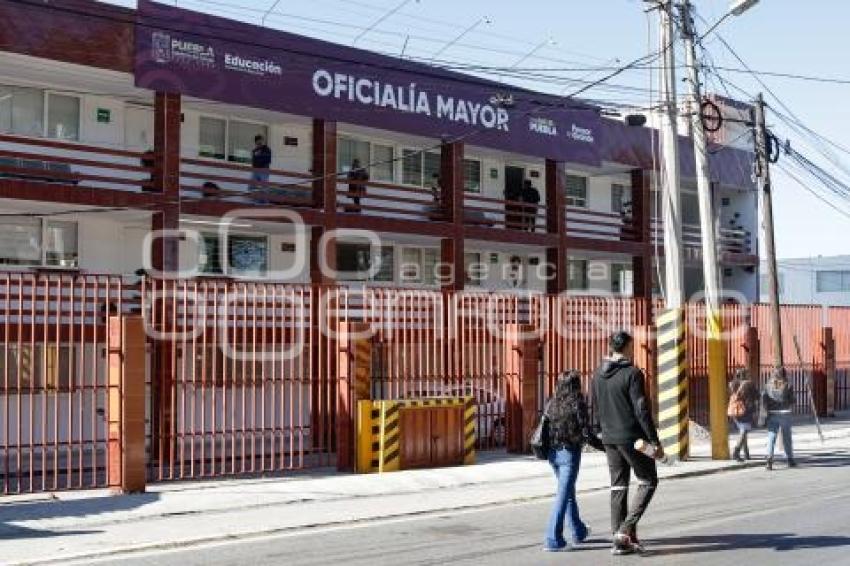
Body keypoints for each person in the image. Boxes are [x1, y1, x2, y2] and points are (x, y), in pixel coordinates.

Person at [591, 331, 661, 556]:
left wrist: (598, 437)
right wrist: (653, 440)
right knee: (649, 480)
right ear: (628, 347)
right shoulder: (632, 373)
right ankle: (624, 530)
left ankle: (620, 541)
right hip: (633, 438)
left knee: (618, 486)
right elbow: (641, 409)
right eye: (632, 346)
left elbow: (594, 407)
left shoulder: (597, 375)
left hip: (609, 438)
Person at [542, 370, 604, 552]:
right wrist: (605, 448)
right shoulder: (578, 404)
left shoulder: (551, 403)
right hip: (569, 455)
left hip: (553, 455)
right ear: (575, 385)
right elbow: (586, 434)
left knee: (568, 492)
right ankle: (553, 539)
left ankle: (578, 531)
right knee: (563, 496)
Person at [761, 368, 797, 470]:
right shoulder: (788, 384)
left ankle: (769, 460)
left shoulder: (768, 385)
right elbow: (792, 400)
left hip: (772, 413)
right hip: (785, 413)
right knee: (787, 437)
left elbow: (764, 398)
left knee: (771, 437)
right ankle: (790, 459)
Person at [728, 368, 759, 462]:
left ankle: (746, 453)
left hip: (735, 411)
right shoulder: (749, 384)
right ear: (745, 375)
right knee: (744, 431)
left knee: (743, 431)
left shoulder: (732, 384)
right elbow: (757, 396)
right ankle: (736, 452)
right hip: (746, 410)